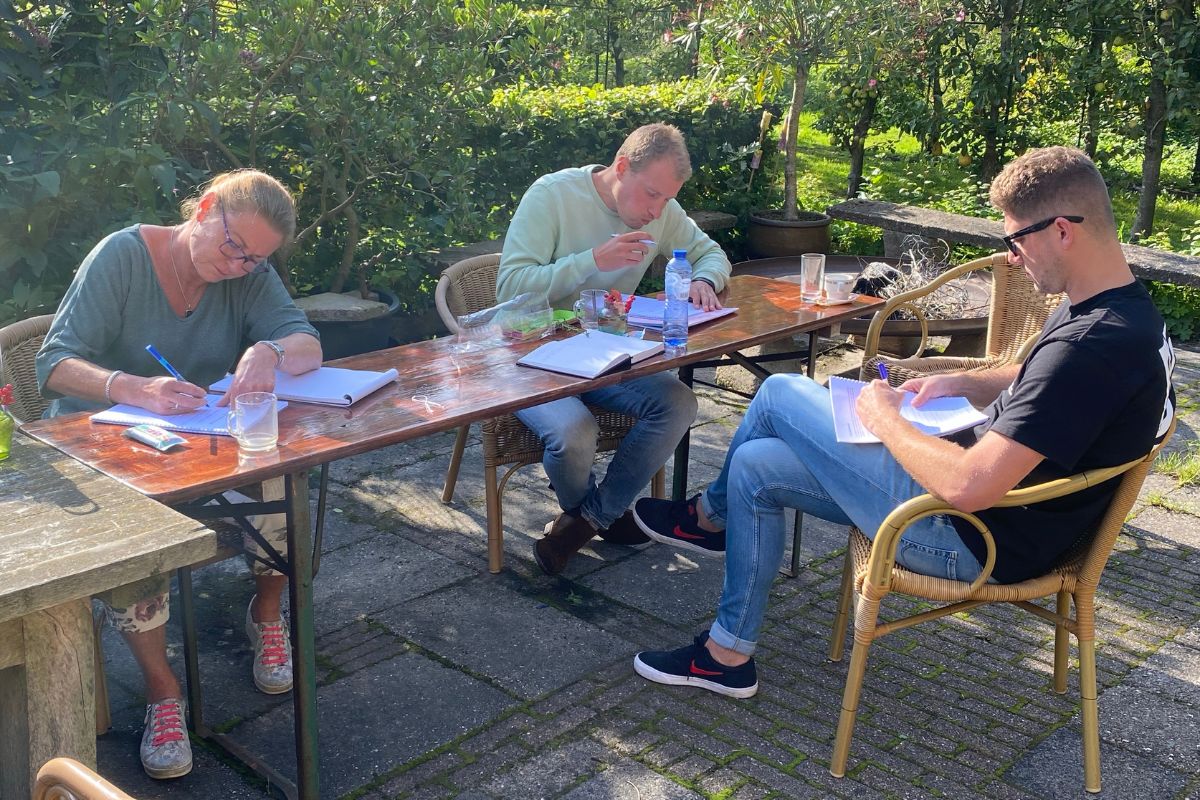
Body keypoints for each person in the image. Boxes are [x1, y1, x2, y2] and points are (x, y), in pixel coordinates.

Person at [629, 146, 1176, 698]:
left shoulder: (1090, 347)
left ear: (1062, 231)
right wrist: (967, 383)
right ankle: (727, 655)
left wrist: (886, 419)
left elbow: (970, 486)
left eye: (1016, 240)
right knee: (753, 464)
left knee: (776, 393)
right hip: (996, 519)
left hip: (973, 542)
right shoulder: (1121, 310)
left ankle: (704, 519)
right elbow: (1037, 375)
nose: (1011, 258)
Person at [36, 169, 323, 778]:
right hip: (108, 445)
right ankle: (163, 690)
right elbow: (54, 363)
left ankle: (267, 617)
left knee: (282, 471)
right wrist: (133, 386)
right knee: (133, 529)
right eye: (233, 247)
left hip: (196, 443)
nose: (240, 265)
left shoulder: (251, 272)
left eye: (255, 259)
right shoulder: (123, 256)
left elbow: (307, 343)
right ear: (207, 208)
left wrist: (267, 350)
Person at [497, 122, 732, 575]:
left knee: (679, 402)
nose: (657, 210)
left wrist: (704, 279)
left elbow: (711, 253)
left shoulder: (661, 210)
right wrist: (591, 261)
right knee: (575, 433)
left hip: (601, 354)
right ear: (621, 167)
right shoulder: (552, 195)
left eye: (666, 198)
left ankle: (585, 522)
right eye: (650, 195)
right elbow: (509, 289)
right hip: (527, 359)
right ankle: (599, 516)